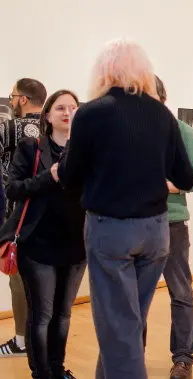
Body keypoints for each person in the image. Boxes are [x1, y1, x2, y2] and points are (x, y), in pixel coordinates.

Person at [57, 39, 193, 379]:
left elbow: (70, 177)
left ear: (103, 72)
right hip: (156, 233)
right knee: (127, 325)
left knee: (120, 327)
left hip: (112, 231)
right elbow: (185, 176)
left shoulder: (91, 112)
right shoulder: (161, 114)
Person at [2, 90, 85, 379]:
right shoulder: (31, 147)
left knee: (63, 316)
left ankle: (58, 369)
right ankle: (42, 373)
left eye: (73, 108)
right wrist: (48, 176)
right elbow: (14, 188)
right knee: (42, 316)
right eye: (60, 107)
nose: (67, 112)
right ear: (47, 115)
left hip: (76, 246)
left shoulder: (85, 152)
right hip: (38, 245)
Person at [152, 76, 193, 379]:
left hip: (171, 224)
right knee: (136, 297)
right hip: (134, 224)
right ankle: (132, 355)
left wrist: (168, 187)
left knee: (180, 292)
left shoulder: (182, 132)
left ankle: (183, 358)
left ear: (161, 97)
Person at [0, 78, 46, 358]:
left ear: (23, 99)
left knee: (17, 279)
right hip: (50, 217)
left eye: (13, 95)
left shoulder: (7, 128)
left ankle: (22, 341)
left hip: (17, 217)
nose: (11, 100)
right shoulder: (54, 128)